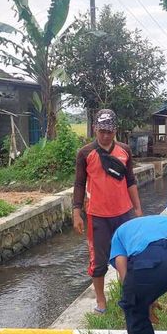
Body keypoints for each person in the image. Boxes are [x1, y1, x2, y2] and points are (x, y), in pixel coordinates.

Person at [72, 109, 143, 314]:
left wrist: (137, 208)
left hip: (124, 214)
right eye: (101, 131)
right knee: (98, 260)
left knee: (130, 256)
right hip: (97, 216)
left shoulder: (125, 151)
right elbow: (79, 183)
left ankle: (129, 296)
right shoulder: (85, 153)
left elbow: (130, 181)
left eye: (109, 132)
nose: (105, 135)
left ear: (115, 131)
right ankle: (101, 301)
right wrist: (77, 212)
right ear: (95, 129)